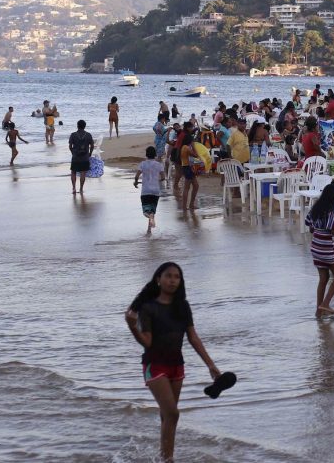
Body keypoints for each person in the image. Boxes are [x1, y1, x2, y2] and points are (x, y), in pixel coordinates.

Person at [124, 262, 222, 463]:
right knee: (173, 413)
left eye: (177, 277)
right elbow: (147, 342)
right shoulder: (148, 308)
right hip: (155, 365)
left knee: (167, 416)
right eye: (168, 276)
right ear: (158, 279)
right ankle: (168, 460)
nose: (173, 280)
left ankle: (163, 456)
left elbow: (193, 337)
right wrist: (132, 327)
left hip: (177, 365)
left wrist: (210, 365)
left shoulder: (182, 306)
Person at [307, 182, 334, 317]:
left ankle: (319, 311)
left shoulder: (315, 208)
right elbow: (333, 230)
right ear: (332, 197)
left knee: (323, 278)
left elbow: (309, 226)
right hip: (325, 246)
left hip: (315, 245)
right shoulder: (330, 212)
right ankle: (325, 303)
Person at [134, 146, 165, 235]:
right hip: (155, 192)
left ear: (146, 154)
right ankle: (149, 231)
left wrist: (136, 182)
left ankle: (150, 224)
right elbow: (163, 178)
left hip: (146, 191)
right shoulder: (159, 165)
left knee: (146, 212)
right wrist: (157, 181)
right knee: (152, 212)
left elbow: (136, 176)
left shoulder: (143, 164)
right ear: (155, 155)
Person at [68, 119, 94, 195]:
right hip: (85, 157)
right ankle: (81, 189)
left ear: (77, 126)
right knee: (83, 173)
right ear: (84, 126)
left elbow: (70, 146)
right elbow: (92, 146)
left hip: (75, 157)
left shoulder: (73, 135)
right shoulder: (88, 135)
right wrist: (90, 153)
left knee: (73, 172)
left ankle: (73, 188)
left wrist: (72, 152)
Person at [179, 133, 200, 210]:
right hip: (187, 168)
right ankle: (185, 206)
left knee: (195, 186)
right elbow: (196, 155)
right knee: (187, 187)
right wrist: (193, 146)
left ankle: (191, 204)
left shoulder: (184, 147)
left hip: (187, 167)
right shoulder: (187, 148)